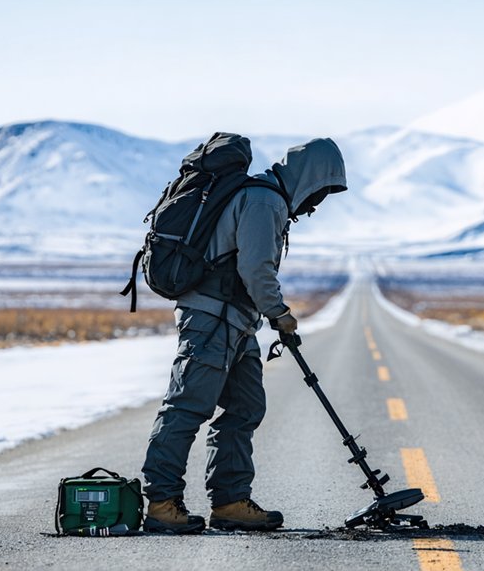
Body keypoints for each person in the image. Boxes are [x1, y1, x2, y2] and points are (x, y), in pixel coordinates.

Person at [141, 138, 347, 534]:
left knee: (245, 407)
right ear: (310, 179)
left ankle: (231, 501)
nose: (317, 205)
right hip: (212, 319)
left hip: (236, 321)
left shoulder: (267, 199)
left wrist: (262, 314)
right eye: (321, 192)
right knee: (187, 406)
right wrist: (279, 314)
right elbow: (256, 269)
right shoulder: (263, 200)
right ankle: (162, 502)